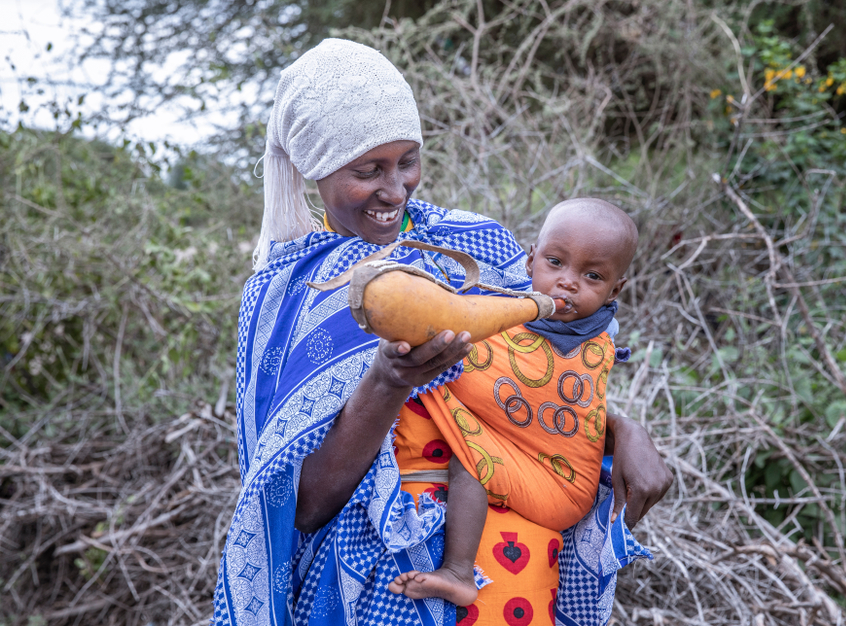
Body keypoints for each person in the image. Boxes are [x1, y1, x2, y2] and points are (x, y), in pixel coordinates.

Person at [213, 38, 673, 626]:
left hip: (517, 574)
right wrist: (387, 383)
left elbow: (544, 387)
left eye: (407, 160)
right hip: (379, 586)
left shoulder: (478, 245)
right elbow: (301, 507)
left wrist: (622, 433)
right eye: (367, 170)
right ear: (313, 167)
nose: (396, 188)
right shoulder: (285, 292)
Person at [388, 198, 639, 607]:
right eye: (555, 263)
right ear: (530, 260)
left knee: (469, 455)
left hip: (562, 483)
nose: (568, 282)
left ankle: (458, 571)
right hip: (522, 460)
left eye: (592, 275)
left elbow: (548, 401)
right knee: (469, 439)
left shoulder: (593, 344)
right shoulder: (508, 314)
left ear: (616, 289)